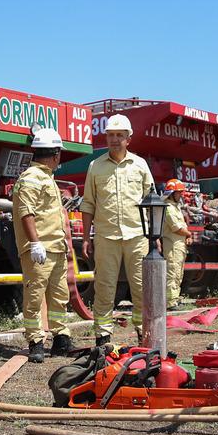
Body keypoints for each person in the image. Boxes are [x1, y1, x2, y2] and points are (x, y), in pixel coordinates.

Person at [80, 113, 156, 344]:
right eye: (111, 135)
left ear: (128, 139)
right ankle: (103, 337)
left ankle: (145, 333)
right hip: (106, 236)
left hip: (137, 236)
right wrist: (85, 237)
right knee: (104, 288)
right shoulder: (95, 166)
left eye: (119, 135)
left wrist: (155, 237)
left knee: (142, 287)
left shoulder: (140, 165)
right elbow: (88, 203)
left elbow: (152, 201)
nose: (114, 139)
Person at [11, 128, 73, 362]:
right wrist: (35, 243)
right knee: (35, 296)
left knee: (59, 296)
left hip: (55, 247)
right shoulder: (31, 178)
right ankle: (35, 340)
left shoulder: (46, 177)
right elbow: (26, 212)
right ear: (56, 154)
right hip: (40, 249)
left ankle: (60, 337)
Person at [161, 179, 192, 309]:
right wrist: (189, 234)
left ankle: (174, 299)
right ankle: (170, 302)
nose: (181, 195)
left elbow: (182, 226)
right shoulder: (168, 207)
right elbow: (176, 228)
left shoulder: (175, 207)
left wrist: (186, 236)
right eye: (179, 193)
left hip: (179, 245)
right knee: (172, 273)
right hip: (173, 246)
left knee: (178, 273)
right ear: (172, 193)